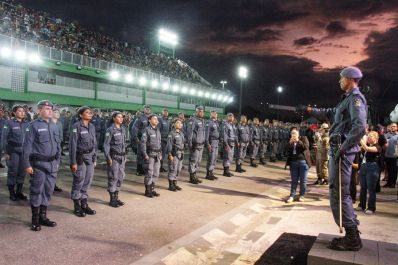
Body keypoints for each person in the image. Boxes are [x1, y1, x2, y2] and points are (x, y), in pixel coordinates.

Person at [299, 66, 367, 251]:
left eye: (341, 78)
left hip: (342, 151)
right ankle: (350, 232)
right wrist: (310, 110)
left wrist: (343, 148)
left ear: (351, 79)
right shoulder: (345, 100)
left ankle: (352, 237)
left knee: (340, 192)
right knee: (336, 190)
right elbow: (330, 113)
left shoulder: (355, 100)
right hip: (338, 150)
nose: (339, 80)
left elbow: (360, 126)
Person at [22, 100, 61, 231]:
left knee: (48, 191)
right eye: (46, 109)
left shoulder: (55, 125)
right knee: (37, 191)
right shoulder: (32, 126)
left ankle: (43, 217)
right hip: (39, 164)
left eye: (51, 109)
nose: (50, 111)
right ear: (39, 111)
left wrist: (57, 161)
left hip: (52, 164)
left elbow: (58, 146)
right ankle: (35, 219)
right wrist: (27, 164)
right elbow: (26, 146)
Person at [69, 106, 97, 217]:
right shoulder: (76, 126)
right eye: (87, 112)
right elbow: (73, 145)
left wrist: (94, 157)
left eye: (91, 112)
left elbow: (94, 143)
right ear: (81, 115)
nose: (90, 114)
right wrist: (73, 162)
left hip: (89, 156)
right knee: (79, 180)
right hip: (79, 156)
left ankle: (84, 204)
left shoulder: (92, 126)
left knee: (88, 179)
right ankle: (76, 206)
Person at [1, 104, 29, 201]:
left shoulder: (27, 124)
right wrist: (6, 152)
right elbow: (4, 138)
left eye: (23, 111)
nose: (22, 112)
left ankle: (19, 192)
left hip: (24, 153)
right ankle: (12, 193)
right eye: (20, 111)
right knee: (13, 172)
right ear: (14, 113)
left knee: (22, 172)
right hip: (13, 152)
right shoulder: (9, 123)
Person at [103, 111, 127, 207]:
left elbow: (124, 144)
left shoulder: (123, 129)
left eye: (122, 117)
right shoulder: (110, 130)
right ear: (114, 118)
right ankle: (112, 199)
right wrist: (108, 158)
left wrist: (125, 156)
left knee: (121, 177)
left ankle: (116, 197)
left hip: (122, 157)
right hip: (114, 157)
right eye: (119, 117)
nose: (121, 119)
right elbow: (106, 145)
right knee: (113, 177)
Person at [355, 131, 381, 215]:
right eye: (368, 136)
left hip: (372, 168)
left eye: (371, 136)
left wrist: (360, 139)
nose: (369, 138)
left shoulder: (378, 147)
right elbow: (360, 149)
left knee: (371, 189)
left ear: (376, 138)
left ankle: (371, 207)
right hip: (364, 167)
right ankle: (362, 205)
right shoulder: (366, 146)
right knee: (363, 188)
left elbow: (367, 149)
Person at [285, 128, 311, 203]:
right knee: (294, 180)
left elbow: (306, 147)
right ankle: (292, 196)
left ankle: (302, 195)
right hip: (293, 163)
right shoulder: (291, 140)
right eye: (292, 133)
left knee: (303, 181)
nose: (293, 135)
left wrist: (298, 141)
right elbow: (286, 149)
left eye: (295, 133)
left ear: (298, 134)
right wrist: (289, 143)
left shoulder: (304, 138)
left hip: (303, 162)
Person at [141, 114, 162, 198]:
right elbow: (143, 143)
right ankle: (147, 190)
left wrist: (160, 154)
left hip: (157, 155)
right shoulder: (146, 130)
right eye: (154, 119)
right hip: (150, 154)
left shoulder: (157, 130)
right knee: (149, 172)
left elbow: (159, 143)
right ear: (149, 120)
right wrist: (145, 154)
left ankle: (152, 189)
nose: (156, 120)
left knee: (156, 173)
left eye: (157, 119)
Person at [187, 106, 206, 184]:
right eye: (199, 111)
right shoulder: (193, 120)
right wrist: (190, 144)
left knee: (198, 161)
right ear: (196, 112)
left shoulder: (202, 120)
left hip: (201, 145)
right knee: (193, 161)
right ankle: (191, 177)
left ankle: (195, 175)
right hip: (195, 144)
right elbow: (190, 133)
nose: (201, 113)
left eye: (202, 111)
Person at [131, 105, 151, 176]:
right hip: (141, 138)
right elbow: (134, 128)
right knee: (140, 154)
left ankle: (144, 169)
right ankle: (139, 170)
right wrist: (136, 137)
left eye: (149, 109)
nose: (147, 110)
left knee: (147, 154)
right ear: (144, 109)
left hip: (149, 140)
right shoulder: (140, 118)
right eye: (146, 109)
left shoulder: (151, 118)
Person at [166, 119, 184, 191]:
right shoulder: (171, 133)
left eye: (181, 123)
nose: (180, 124)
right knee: (172, 169)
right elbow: (169, 145)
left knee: (178, 169)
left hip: (180, 153)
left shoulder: (181, 133)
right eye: (178, 123)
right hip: (174, 153)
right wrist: (170, 154)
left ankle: (175, 183)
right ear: (174, 124)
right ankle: (171, 185)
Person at [205, 110, 220, 180]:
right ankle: (208, 174)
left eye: (216, 113)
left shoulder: (216, 123)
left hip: (216, 142)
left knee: (215, 158)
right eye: (214, 113)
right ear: (210, 114)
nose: (215, 114)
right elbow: (207, 134)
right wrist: (208, 144)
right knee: (211, 158)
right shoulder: (209, 122)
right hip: (211, 142)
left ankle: (211, 172)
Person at [51, 106, 63, 192]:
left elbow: (61, 136)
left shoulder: (59, 124)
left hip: (57, 147)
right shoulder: (48, 123)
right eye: (55, 112)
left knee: (56, 168)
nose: (57, 114)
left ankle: (53, 184)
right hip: (49, 148)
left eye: (58, 113)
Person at [222, 113, 237, 177]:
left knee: (230, 158)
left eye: (232, 117)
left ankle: (227, 170)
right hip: (228, 144)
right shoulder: (225, 125)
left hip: (232, 144)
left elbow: (234, 135)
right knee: (227, 157)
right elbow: (224, 135)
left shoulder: (233, 125)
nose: (231, 118)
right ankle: (225, 172)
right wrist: (226, 144)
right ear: (227, 117)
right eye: (230, 117)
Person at [384, 123, 397, 188]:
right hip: (387, 155)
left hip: (394, 156)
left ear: (397, 128)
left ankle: (393, 183)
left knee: (394, 170)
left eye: (394, 126)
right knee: (388, 170)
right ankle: (388, 183)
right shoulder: (386, 135)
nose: (392, 128)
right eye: (391, 126)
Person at [158, 108, 171, 173]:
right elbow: (158, 130)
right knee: (160, 155)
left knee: (163, 155)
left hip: (166, 140)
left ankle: (161, 166)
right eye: (164, 111)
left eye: (167, 111)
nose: (166, 113)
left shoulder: (168, 120)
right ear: (162, 112)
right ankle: (158, 167)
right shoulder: (160, 120)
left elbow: (169, 130)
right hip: (161, 140)